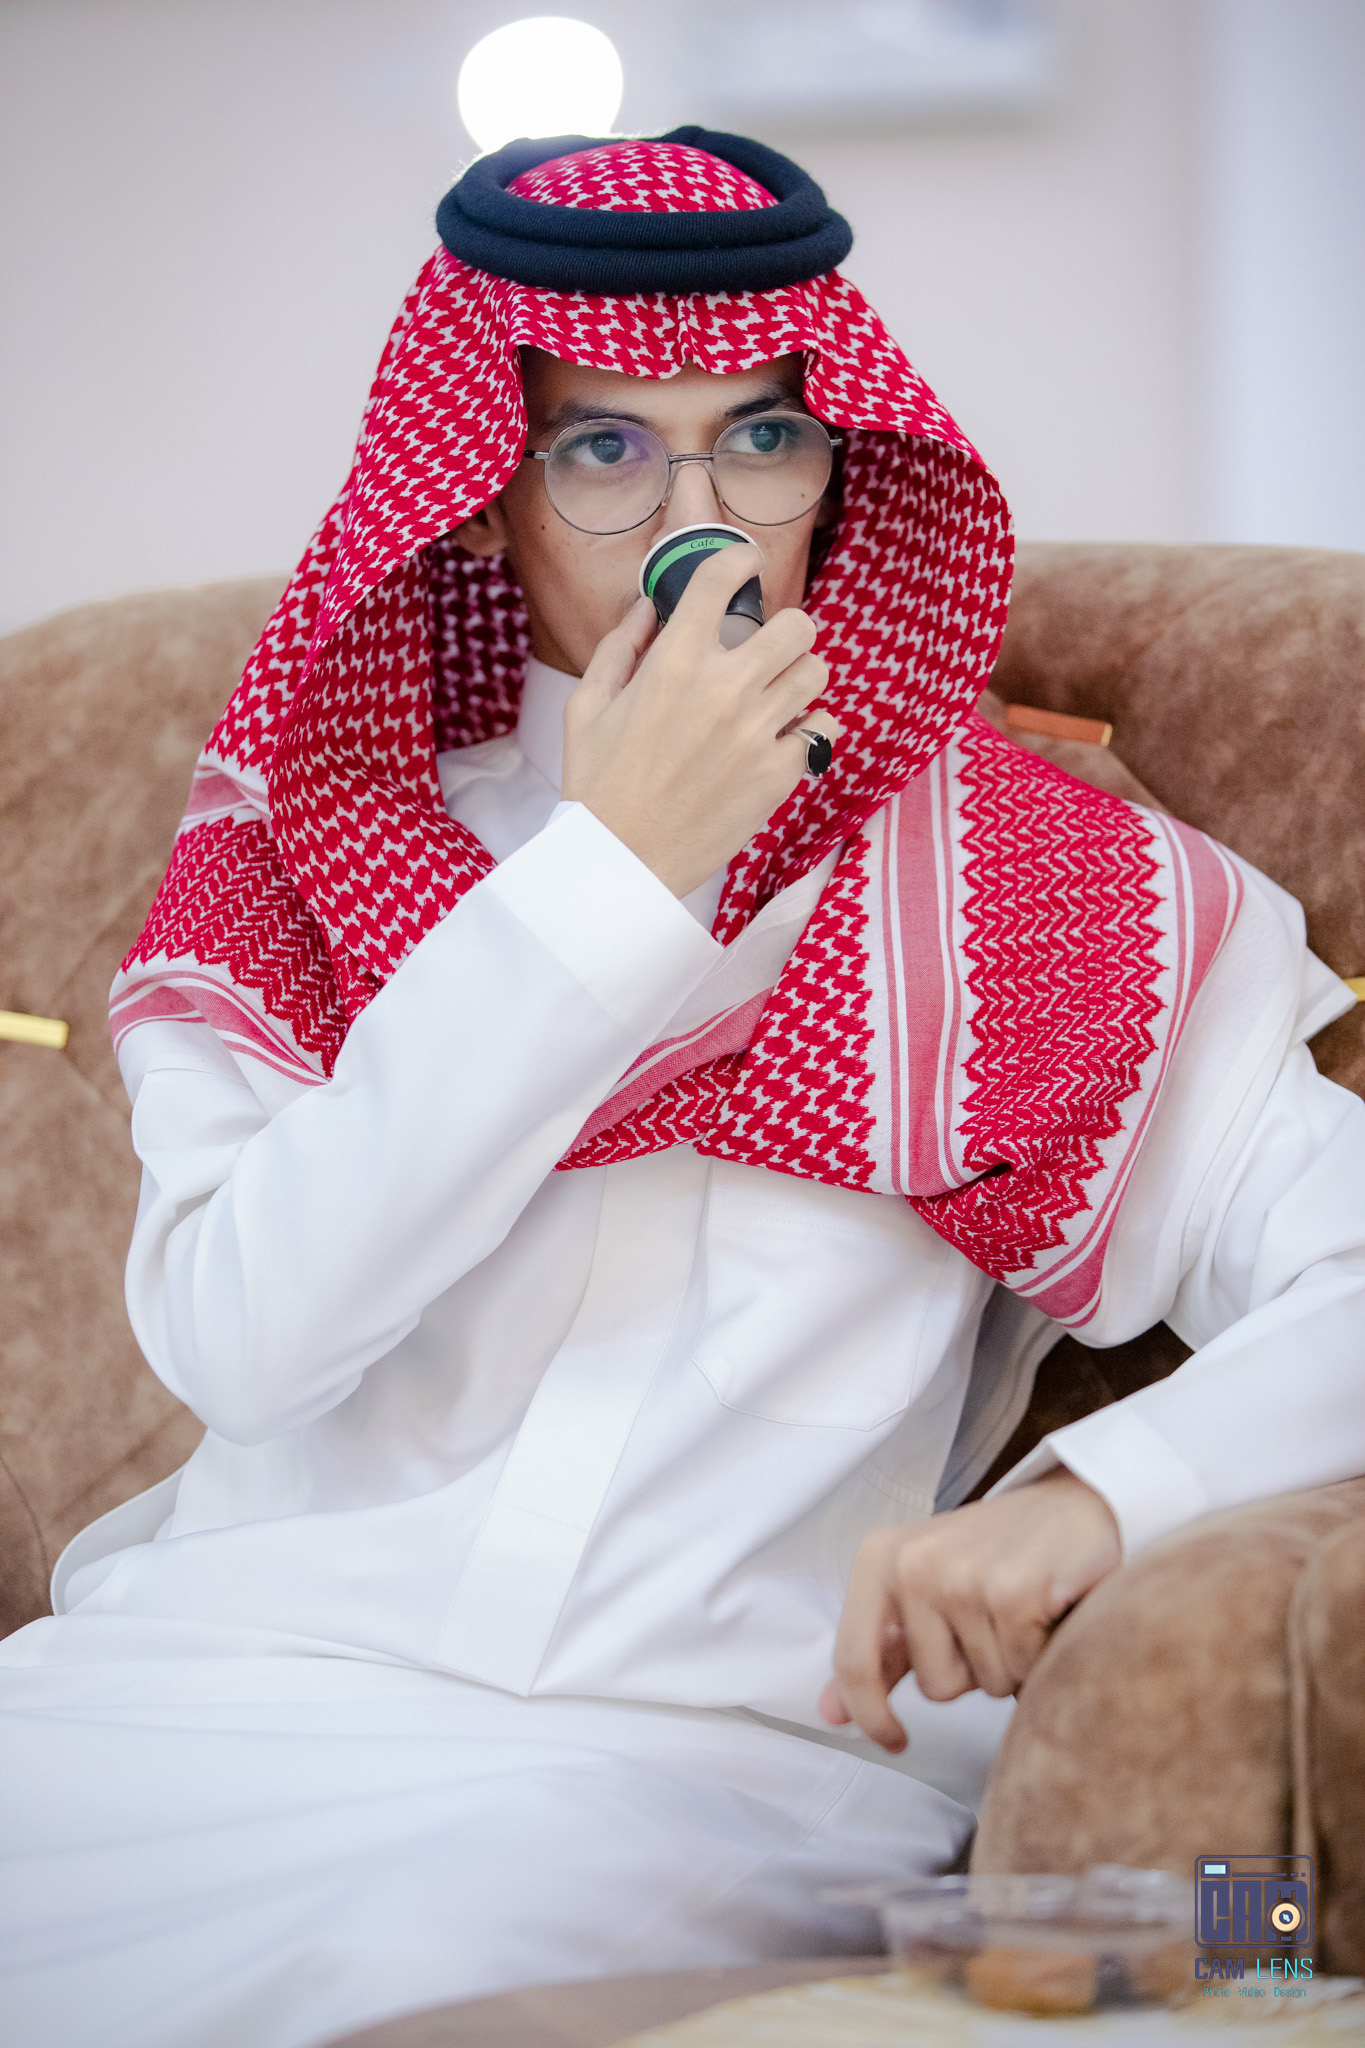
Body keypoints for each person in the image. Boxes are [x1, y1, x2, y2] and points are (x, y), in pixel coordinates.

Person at [2, 127, 1363, 2048]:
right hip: (191, 1697)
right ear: (487, 492)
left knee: (401, 1975)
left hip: (692, 1774)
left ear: (838, 468)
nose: (698, 519)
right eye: (605, 450)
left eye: (759, 438)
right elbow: (245, 1343)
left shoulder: (1032, 893)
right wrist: (609, 885)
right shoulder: (310, 838)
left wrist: (1099, 1499)